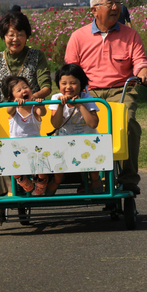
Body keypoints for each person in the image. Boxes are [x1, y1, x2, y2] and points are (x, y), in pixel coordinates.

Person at [64, 0, 147, 195]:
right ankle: (85, 176)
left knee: (128, 124)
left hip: (120, 91)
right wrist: (74, 92)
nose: (115, 7)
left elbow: (140, 61)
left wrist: (144, 72)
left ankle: (128, 178)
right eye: (110, 3)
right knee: (78, 127)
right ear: (94, 10)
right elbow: (70, 70)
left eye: (118, 3)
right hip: (87, 93)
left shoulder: (131, 35)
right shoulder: (78, 37)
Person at [0, 12, 52, 196]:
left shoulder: (37, 56)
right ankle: (4, 194)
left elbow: (46, 85)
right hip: (7, 114)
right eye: (11, 34)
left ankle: (44, 182)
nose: (15, 39)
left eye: (20, 34)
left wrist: (32, 98)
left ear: (27, 35)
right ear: (4, 36)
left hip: (35, 112)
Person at [46, 64, 103, 195]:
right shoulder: (56, 98)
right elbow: (56, 124)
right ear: (58, 84)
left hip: (87, 141)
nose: (68, 87)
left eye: (73, 83)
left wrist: (80, 105)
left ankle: (94, 178)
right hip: (63, 141)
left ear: (81, 84)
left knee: (95, 147)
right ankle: (57, 179)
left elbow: (93, 124)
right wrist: (60, 106)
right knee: (56, 152)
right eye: (64, 83)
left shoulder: (87, 98)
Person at [2, 76, 49, 196]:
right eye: (19, 90)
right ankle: (20, 178)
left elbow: (42, 113)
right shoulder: (14, 111)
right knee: (7, 157)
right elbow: (9, 110)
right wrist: (14, 104)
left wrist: (40, 105)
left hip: (35, 146)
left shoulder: (34, 109)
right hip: (16, 147)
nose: (24, 91)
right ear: (11, 97)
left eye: (26, 87)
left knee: (44, 158)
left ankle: (42, 179)